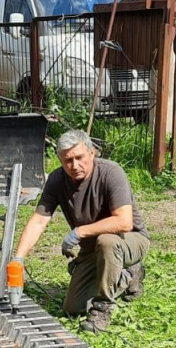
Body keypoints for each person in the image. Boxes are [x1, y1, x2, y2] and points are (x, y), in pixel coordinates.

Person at [13, 129, 150, 333]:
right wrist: (19, 259)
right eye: (68, 160)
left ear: (92, 153)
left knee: (107, 241)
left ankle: (103, 308)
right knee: (73, 307)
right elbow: (39, 221)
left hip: (130, 240)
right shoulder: (57, 180)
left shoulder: (111, 172)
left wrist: (78, 232)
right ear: (60, 160)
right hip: (93, 249)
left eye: (79, 158)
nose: (75, 166)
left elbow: (124, 222)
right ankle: (128, 276)